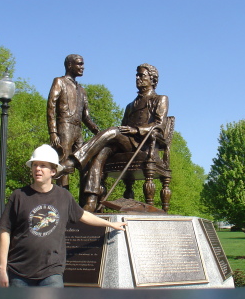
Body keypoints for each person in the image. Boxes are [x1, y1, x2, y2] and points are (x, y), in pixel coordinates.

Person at [0, 144, 126, 287]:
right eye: (35, 165)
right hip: (19, 273)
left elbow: (83, 215)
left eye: (43, 165)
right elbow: (5, 231)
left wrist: (110, 224)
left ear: (53, 171)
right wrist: (2, 269)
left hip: (51, 273)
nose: (38, 169)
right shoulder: (19, 196)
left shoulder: (63, 196)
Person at [59, 63, 169, 211]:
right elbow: (122, 129)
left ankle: (72, 161)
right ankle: (91, 201)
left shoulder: (160, 99)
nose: (137, 78)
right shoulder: (131, 105)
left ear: (152, 79)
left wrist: (135, 130)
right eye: (137, 75)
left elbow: (160, 126)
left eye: (141, 75)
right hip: (126, 144)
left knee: (112, 131)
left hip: (144, 143)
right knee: (101, 152)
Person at [47, 54, 100, 190]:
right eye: (79, 64)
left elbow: (86, 116)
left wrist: (97, 131)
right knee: (63, 164)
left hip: (78, 130)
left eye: (82, 64)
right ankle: (62, 196)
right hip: (64, 127)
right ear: (70, 65)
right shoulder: (60, 81)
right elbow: (51, 106)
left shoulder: (82, 90)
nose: (82, 67)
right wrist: (53, 132)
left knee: (85, 163)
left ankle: (85, 200)